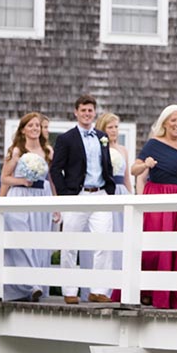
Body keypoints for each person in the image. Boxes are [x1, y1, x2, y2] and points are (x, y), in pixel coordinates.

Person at [130, 105, 177, 309]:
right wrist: (146, 164)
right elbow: (134, 169)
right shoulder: (154, 144)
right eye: (174, 120)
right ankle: (147, 291)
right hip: (158, 196)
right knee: (154, 247)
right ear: (164, 122)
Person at [50, 95, 121, 304]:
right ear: (76, 112)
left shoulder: (101, 136)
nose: (87, 114)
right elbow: (55, 168)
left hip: (100, 194)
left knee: (103, 243)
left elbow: (105, 164)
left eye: (90, 110)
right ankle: (70, 291)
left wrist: (109, 189)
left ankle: (98, 290)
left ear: (94, 113)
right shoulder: (66, 138)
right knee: (71, 244)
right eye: (83, 110)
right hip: (77, 195)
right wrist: (65, 195)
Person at [0, 112, 54, 302]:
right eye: (30, 125)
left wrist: (56, 204)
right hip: (19, 196)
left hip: (42, 197)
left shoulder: (47, 151)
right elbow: (4, 178)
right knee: (21, 241)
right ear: (23, 129)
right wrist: (21, 182)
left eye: (37, 126)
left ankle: (36, 285)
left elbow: (51, 179)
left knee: (38, 241)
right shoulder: (16, 151)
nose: (34, 129)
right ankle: (29, 284)